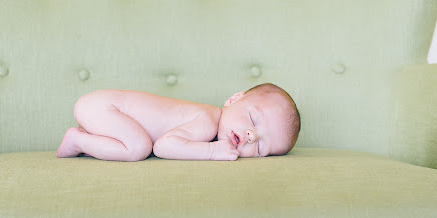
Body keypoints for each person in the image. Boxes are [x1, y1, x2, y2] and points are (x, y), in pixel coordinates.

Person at [56, 82, 300, 161]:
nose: (251, 136)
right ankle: (77, 140)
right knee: (139, 148)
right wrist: (210, 151)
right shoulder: (207, 121)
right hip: (104, 107)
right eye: (253, 119)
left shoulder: (212, 122)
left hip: (106, 109)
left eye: (260, 148)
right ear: (233, 99)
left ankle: (91, 136)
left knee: (135, 139)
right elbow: (164, 146)